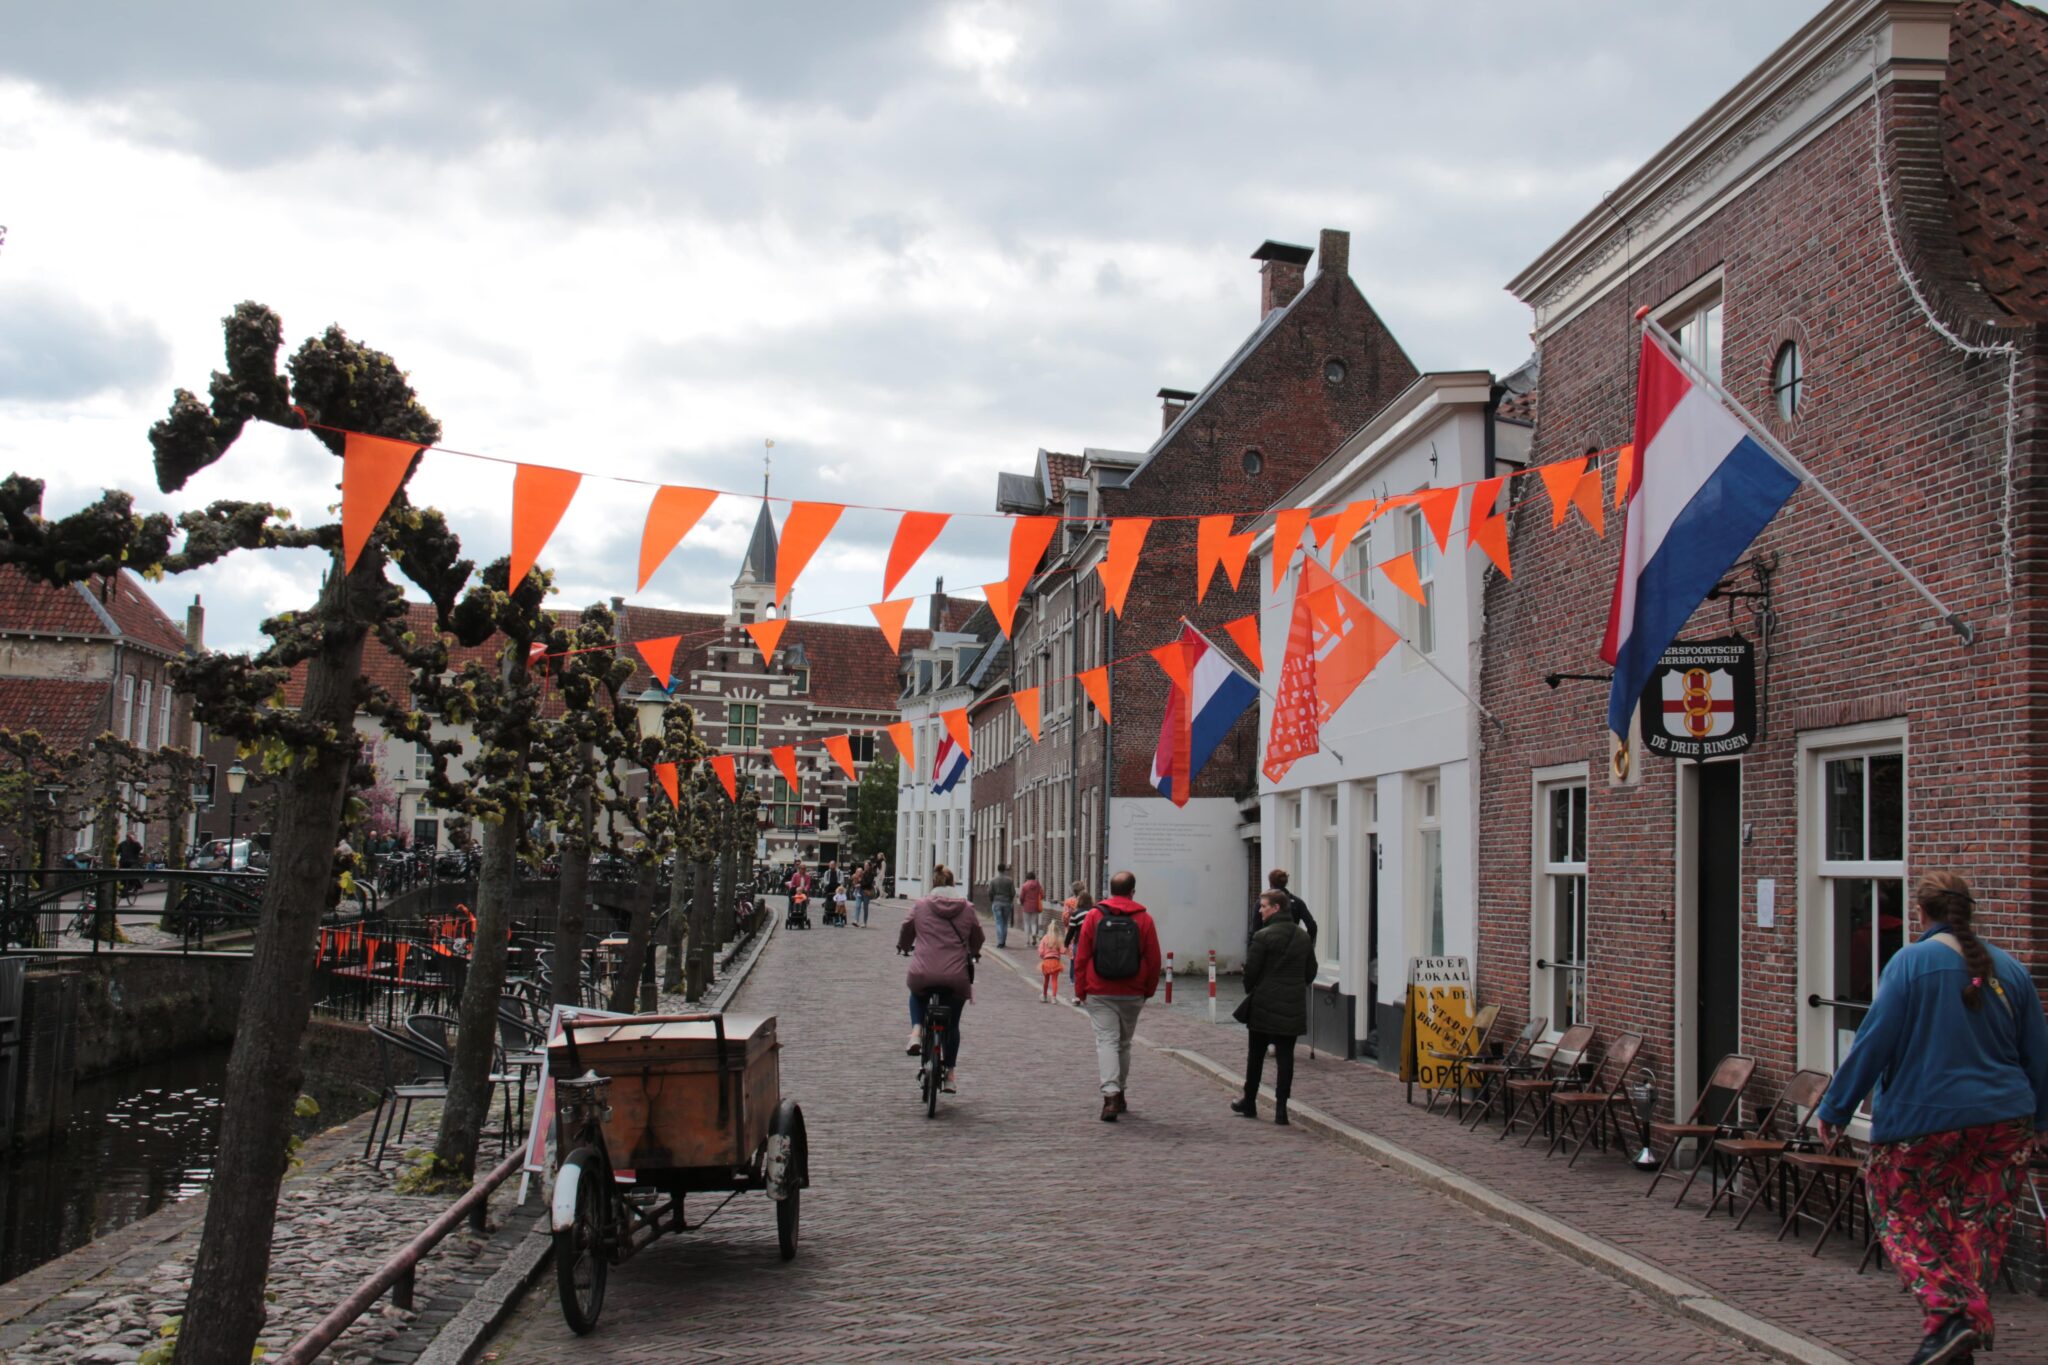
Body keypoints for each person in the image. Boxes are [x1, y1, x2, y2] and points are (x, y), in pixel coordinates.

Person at [1814, 871, 2048, 1365]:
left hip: (1925, 1118)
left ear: (1919, 912)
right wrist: (2043, 1122)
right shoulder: (2011, 969)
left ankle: (1950, 1315)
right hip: (2006, 1122)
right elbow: (2038, 1054)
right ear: (1969, 910)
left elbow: (1875, 1039)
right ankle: (1958, 1340)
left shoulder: (1910, 962)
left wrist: (1836, 1107)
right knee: (1979, 1226)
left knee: (1896, 1206)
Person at [1074, 870, 1162, 1122]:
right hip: (1133, 991)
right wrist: (1148, 990)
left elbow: (1082, 956)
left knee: (1107, 1041)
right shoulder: (1144, 919)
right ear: (1133, 891)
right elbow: (1154, 959)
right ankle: (1120, 1093)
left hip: (1099, 990)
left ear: (1110, 891)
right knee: (1123, 1043)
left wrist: (1080, 990)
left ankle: (1111, 1095)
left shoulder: (1094, 916)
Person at [1232, 889, 1318, 1125]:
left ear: (1276, 908)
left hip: (1263, 1004)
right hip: (1292, 1006)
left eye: (1264, 906)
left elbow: (1251, 972)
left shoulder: (1263, 937)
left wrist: (1252, 987)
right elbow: (1311, 971)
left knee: (1256, 1056)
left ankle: (1249, 1101)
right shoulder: (1303, 937)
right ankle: (1281, 1110)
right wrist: (1293, 986)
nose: (1260, 910)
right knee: (1285, 1057)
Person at [896, 864, 984, 1093]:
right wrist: (974, 952)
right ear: (953, 884)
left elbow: (906, 927)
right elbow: (978, 936)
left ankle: (916, 1032)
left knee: (917, 993)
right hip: (955, 977)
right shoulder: (967, 909)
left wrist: (904, 946)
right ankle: (950, 1075)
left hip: (923, 972)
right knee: (952, 1025)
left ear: (933, 883)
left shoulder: (921, 905)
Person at [1251, 869, 1319, 948]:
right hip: (1292, 947)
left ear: (1270, 883)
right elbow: (1312, 926)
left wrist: (1253, 948)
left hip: (1268, 948)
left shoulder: (1262, 903)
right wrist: (1308, 946)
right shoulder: (1297, 902)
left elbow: (1255, 929)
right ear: (1285, 883)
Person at [1037, 916, 1066, 1003]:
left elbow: (1041, 951)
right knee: (1054, 980)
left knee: (1046, 980)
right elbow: (1063, 951)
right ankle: (1054, 998)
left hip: (1046, 961)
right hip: (1056, 962)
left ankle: (1044, 996)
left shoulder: (1045, 938)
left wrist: (1042, 956)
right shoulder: (1058, 939)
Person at [988, 864, 1017, 949]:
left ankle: (1000, 942)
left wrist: (992, 900)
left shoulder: (993, 880)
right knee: (1005, 922)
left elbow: (990, 892)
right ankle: (1003, 941)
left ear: (998, 870)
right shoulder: (1009, 880)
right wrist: (1010, 900)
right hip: (1007, 903)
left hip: (997, 902)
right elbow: (1013, 892)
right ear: (1005, 870)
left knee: (999, 922)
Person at [1018, 871, 1044, 941]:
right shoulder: (1038, 885)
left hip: (1026, 906)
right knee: (1033, 922)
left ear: (1027, 878)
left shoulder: (1025, 885)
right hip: (1035, 906)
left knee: (1027, 923)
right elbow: (1042, 895)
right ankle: (1034, 933)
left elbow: (1021, 897)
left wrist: (1022, 903)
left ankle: (1027, 940)